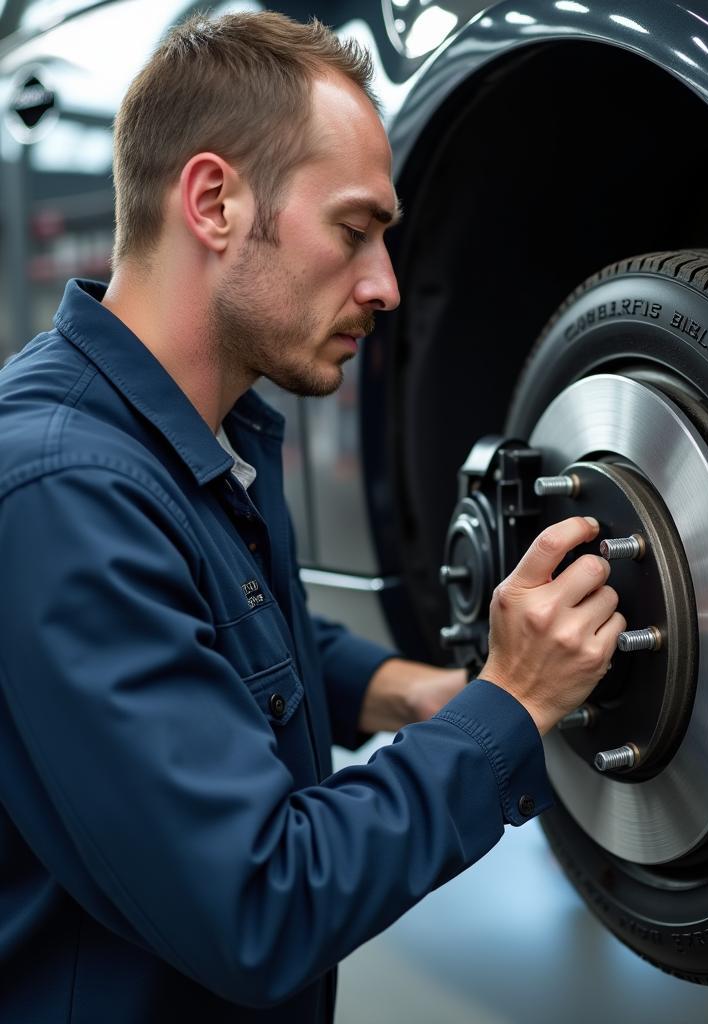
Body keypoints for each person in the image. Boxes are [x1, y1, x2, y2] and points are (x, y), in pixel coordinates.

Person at [0, 12, 624, 1023]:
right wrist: (506, 703)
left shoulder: (182, 432)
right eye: (354, 229)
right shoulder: (63, 492)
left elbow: (218, 624)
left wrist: (408, 691)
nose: (383, 284)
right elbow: (263, 904)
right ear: (213, 202)